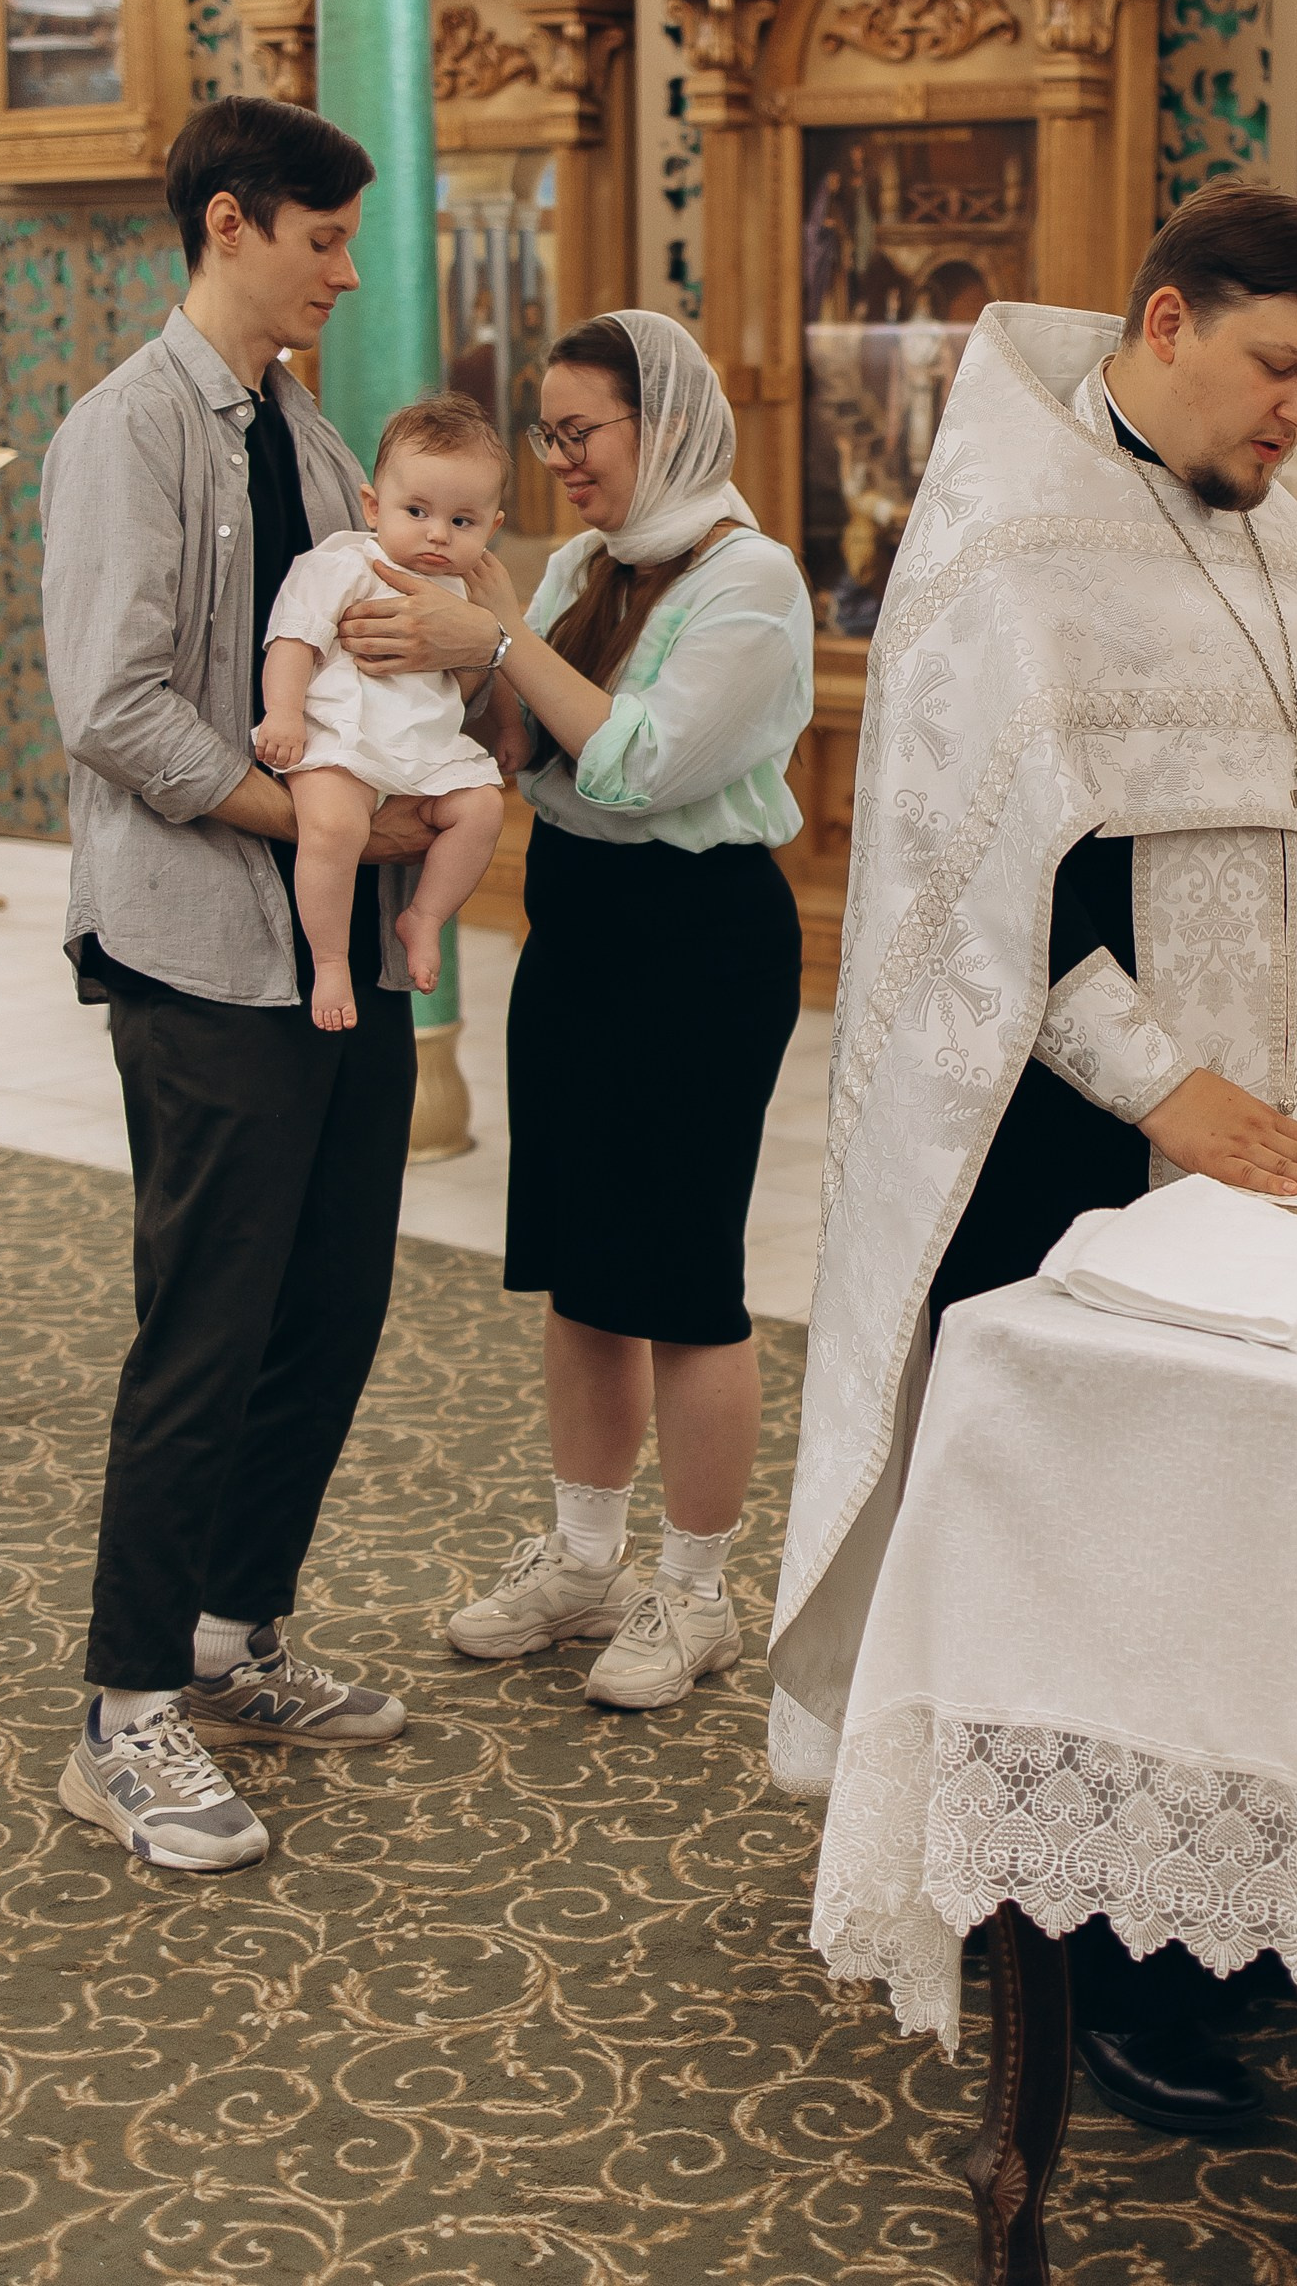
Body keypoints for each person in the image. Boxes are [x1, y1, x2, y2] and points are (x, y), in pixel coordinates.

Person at [770, 183, 1297, 2134]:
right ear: (1174, 319)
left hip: (1278, 1129)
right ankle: (1096, 1968)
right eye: (1282, 370)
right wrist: (1158, 1092)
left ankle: (1237, 1909)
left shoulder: (1274, 537)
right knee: (1112, 1560)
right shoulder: (1009, 543)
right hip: (1081, 1152)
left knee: (1266, 1531)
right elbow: (995, 886)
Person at [41, 94, 435, 1878]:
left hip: (336, 953)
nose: (347, 271)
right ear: (227, 224)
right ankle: (123, 1713)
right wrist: (310, 818)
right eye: (323, 238)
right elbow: (112, 711)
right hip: (200, 944)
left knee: (334, 1303)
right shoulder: (123, 435)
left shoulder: (310, 427)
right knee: (206, 1324)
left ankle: (230, 1633)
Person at [330, 311, 814, 1716]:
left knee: (683, 1277)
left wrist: (496, 637)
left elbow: (645, 763)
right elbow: (528, 743)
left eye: (578, 432)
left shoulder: (753, 576)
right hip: (582, 927)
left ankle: (696, 1592)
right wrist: (436, 666)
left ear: (659, 425)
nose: (560, 459)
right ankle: (585, 1559)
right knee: (580, 1261)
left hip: (702, 937)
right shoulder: (581, 568)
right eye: (546, 434)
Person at [255, 392, 511, 1032]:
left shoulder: (468, 587)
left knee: (482, 809)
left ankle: (423, 916)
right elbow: (294, 638)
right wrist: (283, 713)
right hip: (341, 740)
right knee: (333, 831)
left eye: (462, 522)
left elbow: (497, 655)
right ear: (374, 506)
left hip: (423, 753)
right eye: (417, 511)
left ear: (492, 527)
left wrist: (508, 726)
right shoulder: (343, 565)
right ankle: (331, 962)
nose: (436, 534)